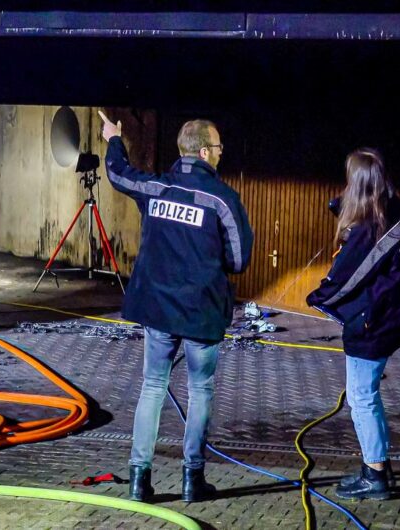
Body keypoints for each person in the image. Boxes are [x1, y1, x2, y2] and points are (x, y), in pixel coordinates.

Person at [99, 111, 254, 503]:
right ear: (204, 151)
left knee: (153, 386)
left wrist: (114, 139)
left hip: (158, 310)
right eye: (217, 148)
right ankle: (192, 479)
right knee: (200, 390)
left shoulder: (156, 187)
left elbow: (118, 173)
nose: (221, 154)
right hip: (201, 310)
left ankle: (139, 480)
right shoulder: (222, 199)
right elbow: (238, 260)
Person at [306, 147, 400, 501]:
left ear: (357, 183)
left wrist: (319, 296)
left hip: (373, 324)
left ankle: (374, 475)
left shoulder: (374, 228)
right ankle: (379, 466)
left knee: (361, 398)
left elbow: (349, 274)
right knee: (367, 395)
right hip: (393, 319)